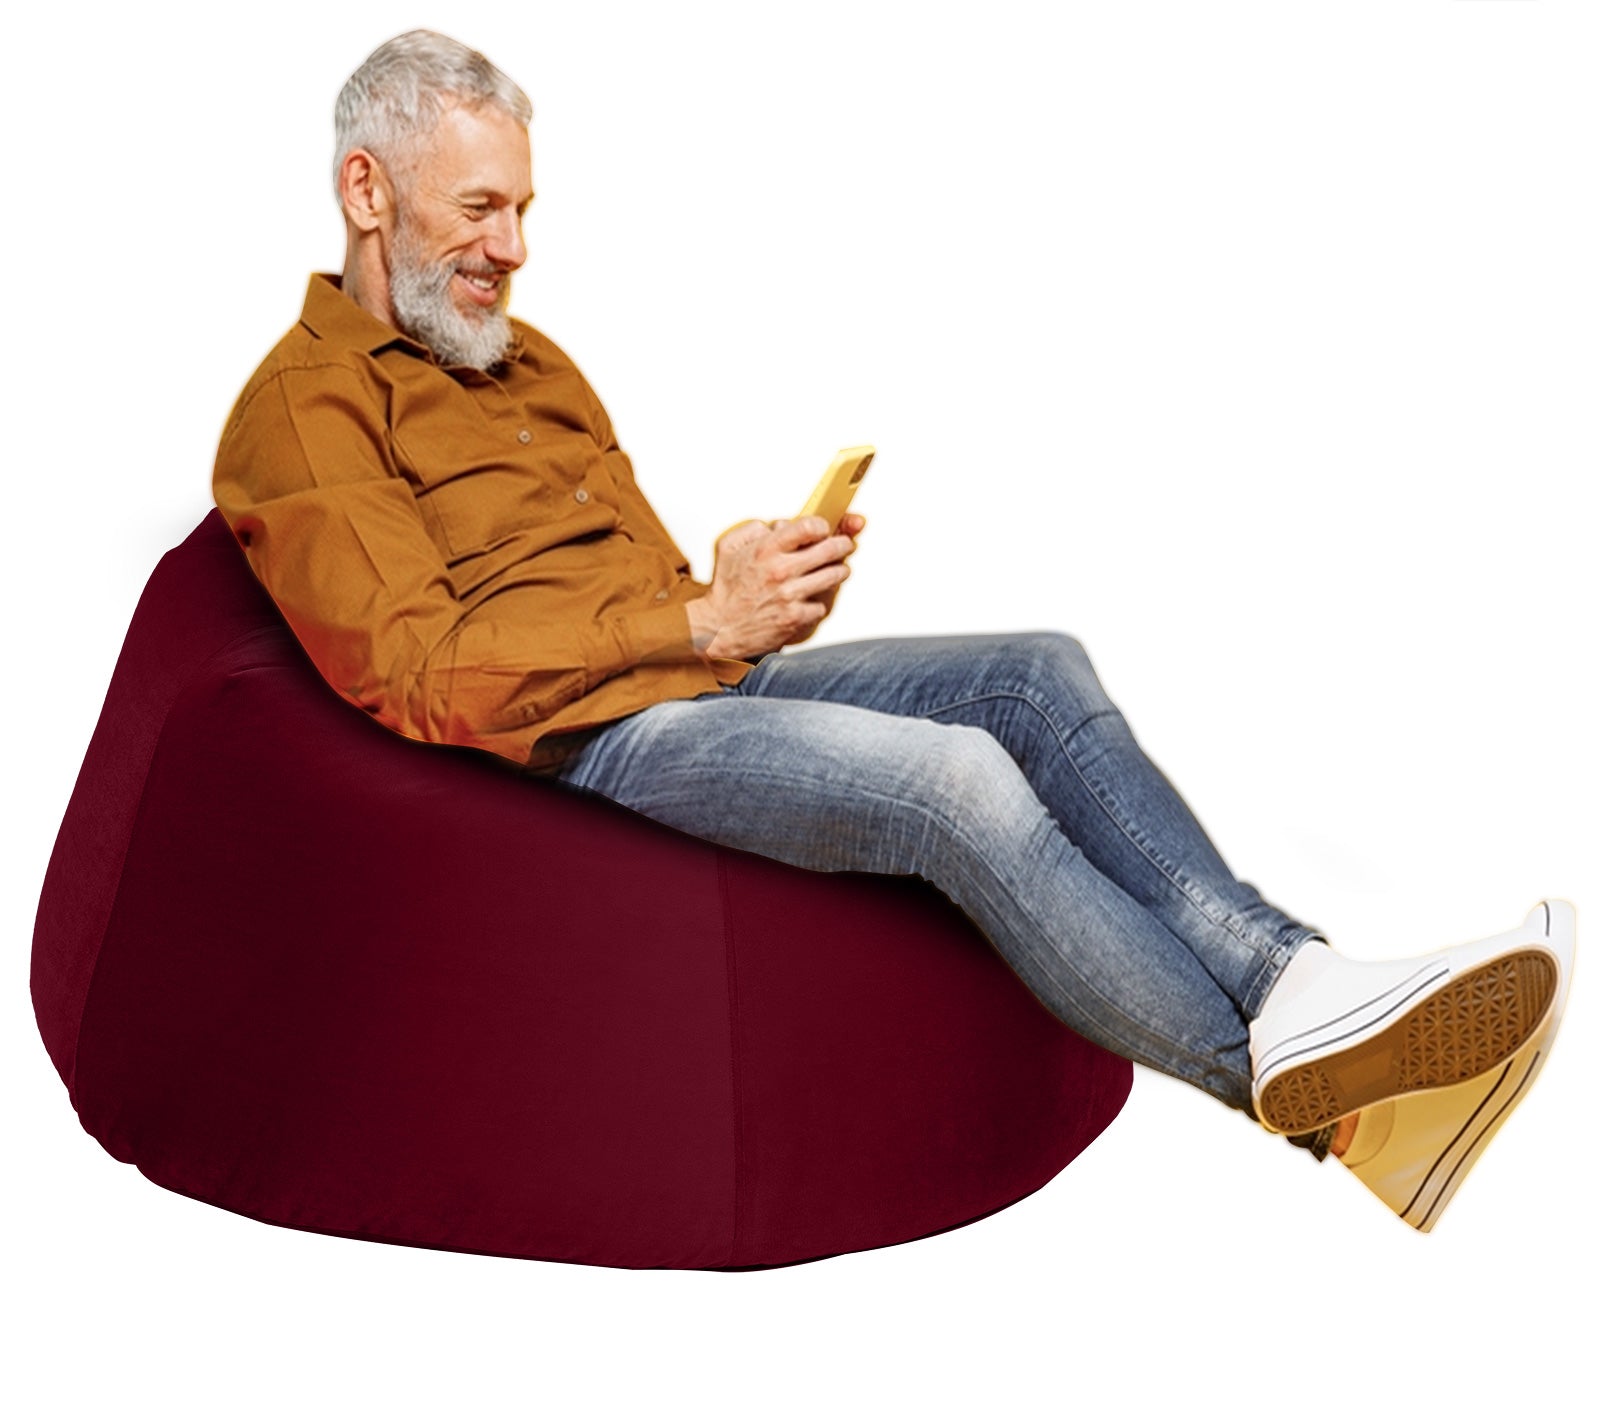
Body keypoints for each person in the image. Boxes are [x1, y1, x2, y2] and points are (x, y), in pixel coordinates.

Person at [213, 29, 1575, 1233]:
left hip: (696, 674)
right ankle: (1329, 1103)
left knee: (1036, 673)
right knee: (956, 782)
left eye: (522, 208)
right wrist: (697, 617)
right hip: (583, 743)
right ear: (366, 191)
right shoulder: (308, 411)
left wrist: (748, 584)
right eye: (479, 208)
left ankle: (1299, 984)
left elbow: (634, 579)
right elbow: (419, 670)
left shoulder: (527, 362)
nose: (513, 247)